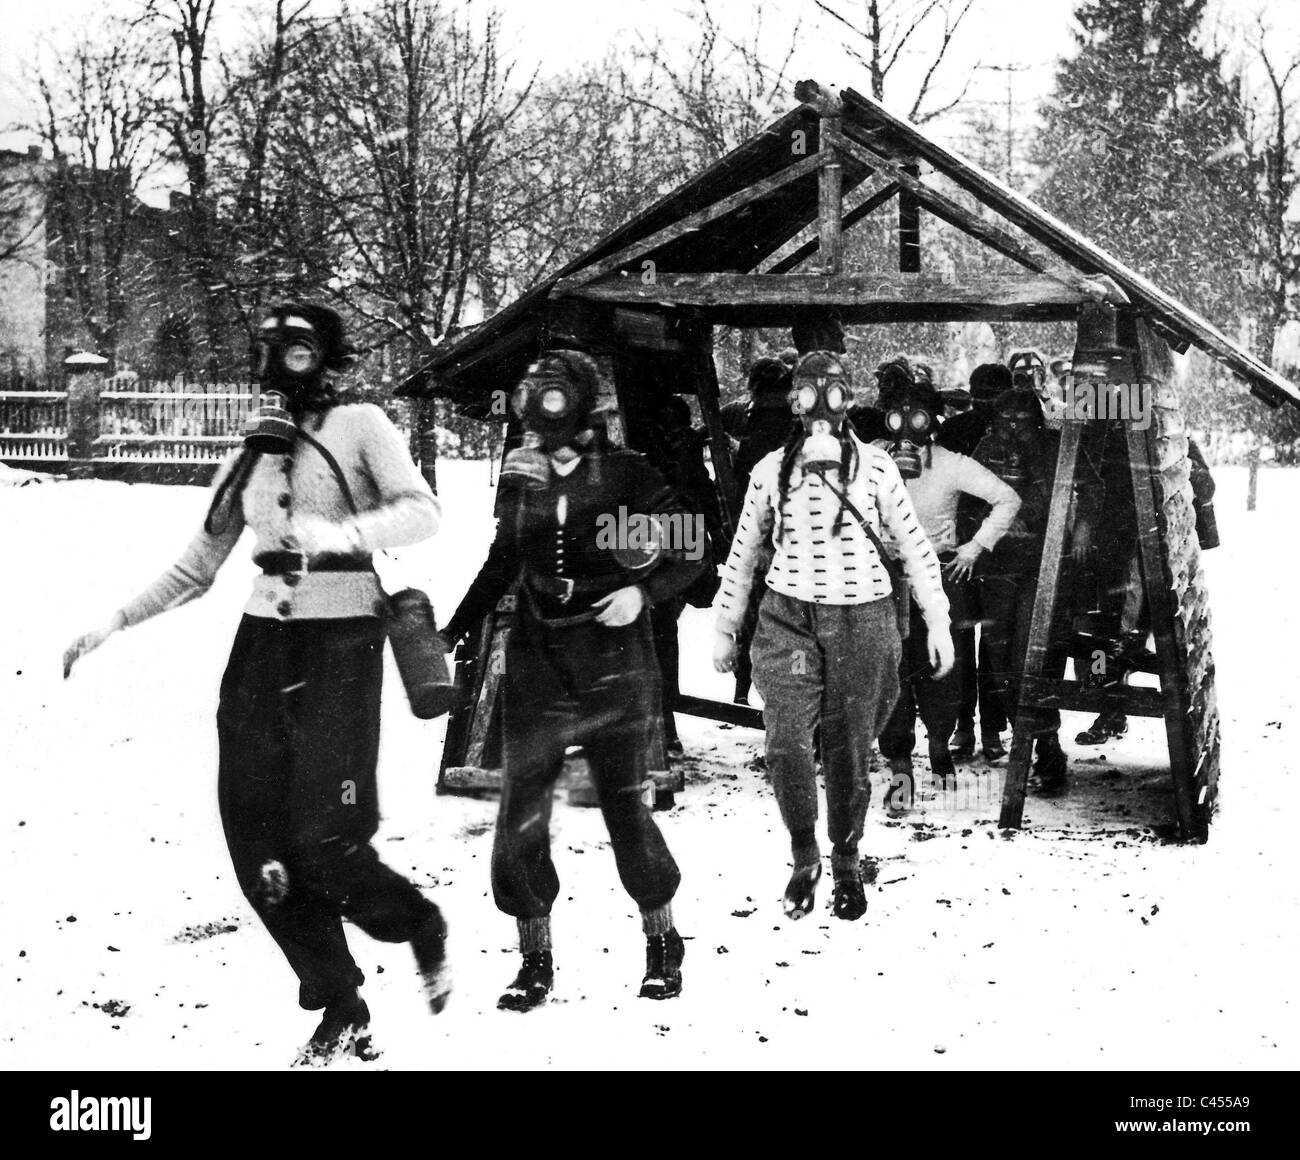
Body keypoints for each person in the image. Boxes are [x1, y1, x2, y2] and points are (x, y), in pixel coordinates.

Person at [62, 302, 450, 1065]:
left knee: (324, 839)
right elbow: (198, 565)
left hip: (340, 642)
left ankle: (416, 922)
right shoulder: (254, 447)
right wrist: (113, 621)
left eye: (300, 348)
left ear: (327, 355)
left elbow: (422, 513)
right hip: (262, 649)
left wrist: (339, 534)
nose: (284, 361)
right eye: (272, 348)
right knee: (254, 840)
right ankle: (341, 1002)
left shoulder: (362, 423)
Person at [441, 350, 707, 1011]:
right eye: (537, 401)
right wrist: (452, 631)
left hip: (611, 657)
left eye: (559, 400)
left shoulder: (628, 472)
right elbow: (503, 559)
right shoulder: (522, 474)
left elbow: (695, 545)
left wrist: (643, 594)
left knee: (623, 807)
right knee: (521, 811)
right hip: (537, 657)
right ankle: (535, 958)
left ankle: (662, 941)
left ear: (587, 408)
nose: (546, 415)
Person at [712, 351, 952, 922]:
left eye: (833, 391)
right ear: (794, 401)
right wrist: (725, 626)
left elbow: (916, 549)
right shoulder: (770, 470)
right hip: (788, 618)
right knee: (787, 741)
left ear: (849, 399)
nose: (820, 403)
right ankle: (803, 853)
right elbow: (742, 555)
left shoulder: (876, 468)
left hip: (863, 619)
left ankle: (846, 860)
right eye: (808, 391)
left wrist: (937, 619)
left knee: (849, 750)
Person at [873, 357, 1021, 801]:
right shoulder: (871, 459)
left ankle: (939, 743)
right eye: (898, 416)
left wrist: (974, 548)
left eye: (916, 417)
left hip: (940, 575)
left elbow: (1006, 498)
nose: (907, 431)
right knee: (890, 669)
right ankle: (901, 766)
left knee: (943, 667)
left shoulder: (952, 464)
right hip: (885, 579)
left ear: (932, 422)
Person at [968, 388, 1070, 789]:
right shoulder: (987, 448)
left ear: (1038, 417)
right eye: (1007, 419)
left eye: (1022, 419)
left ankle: (1046, 748)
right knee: (1000, 660)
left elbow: (1081, 489)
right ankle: (1031, 738)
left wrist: (1069, 527)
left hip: (1043, 566)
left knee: (1033, 656)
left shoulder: (1054, 445)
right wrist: (994, 526)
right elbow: (969, 498)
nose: (1014, 428)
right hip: (999, 565)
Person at [939, 363, 1014, 758]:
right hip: (978, 552)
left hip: (976, 551)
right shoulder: (960, 433)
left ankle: (976, 729)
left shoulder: (957, 431)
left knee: (970, 644)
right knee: (979, 645)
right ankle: (977, 729)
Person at [727, 357, 796, 705]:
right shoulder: (792, 425)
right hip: (784, 540)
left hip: (762, 538)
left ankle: (743, 692)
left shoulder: (750, 425)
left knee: (754, 619)